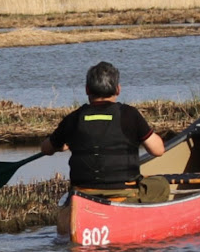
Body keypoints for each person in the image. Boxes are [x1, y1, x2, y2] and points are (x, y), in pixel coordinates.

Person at [40, 61, 167, 207]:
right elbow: (158, 150)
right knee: (161, 184)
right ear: (118, 90)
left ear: (87, 90)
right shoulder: (130, 115)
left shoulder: (73, 118)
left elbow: (46, 149)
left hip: (82, 194)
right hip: (123, 193)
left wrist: (62, 144)